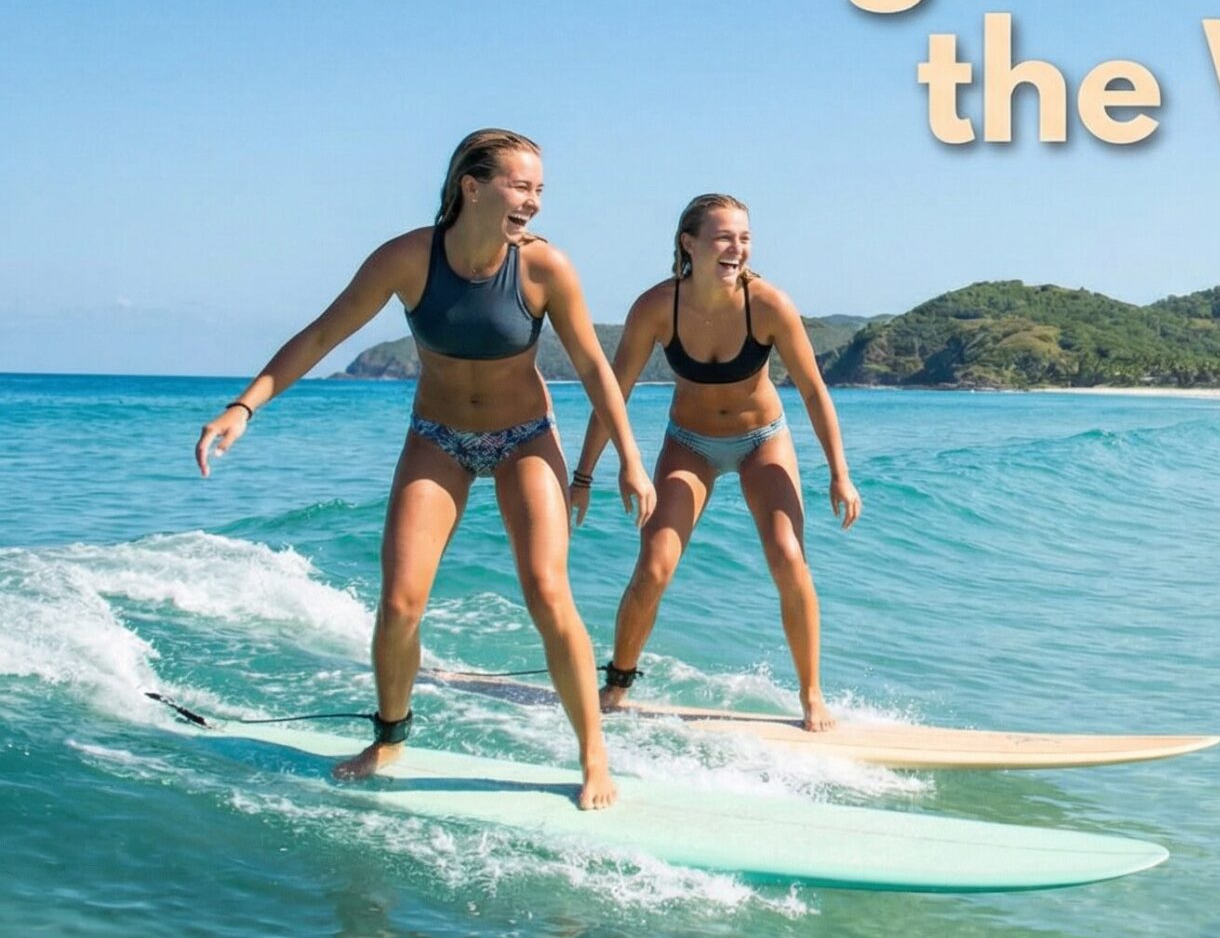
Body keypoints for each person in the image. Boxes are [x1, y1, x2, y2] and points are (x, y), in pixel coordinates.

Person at [194, 129, 655, 810]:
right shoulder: (408, 258)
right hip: (436, 437)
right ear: (473, 185)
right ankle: (388, 734)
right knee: (402, 600)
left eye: (539, 191)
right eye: (520, 186)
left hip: (525, 437)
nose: (533, 201)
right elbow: (323, 334)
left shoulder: (543, 268)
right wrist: (244, 406)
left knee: (547, 591)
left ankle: (592, 753)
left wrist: (630, 462)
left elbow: (593, 367)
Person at [569, 193, 860, 733]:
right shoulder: (657, 307)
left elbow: (815, 393)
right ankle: (619, 680)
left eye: (745, 238)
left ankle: (812, 695)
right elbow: (615, 393)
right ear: (690, 244)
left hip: (761, 441)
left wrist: (840, 473)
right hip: (690, 444)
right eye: (725, 237)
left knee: (789, 558)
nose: (737, 248)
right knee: (654, 564)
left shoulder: (768, 305)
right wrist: (583, 476)